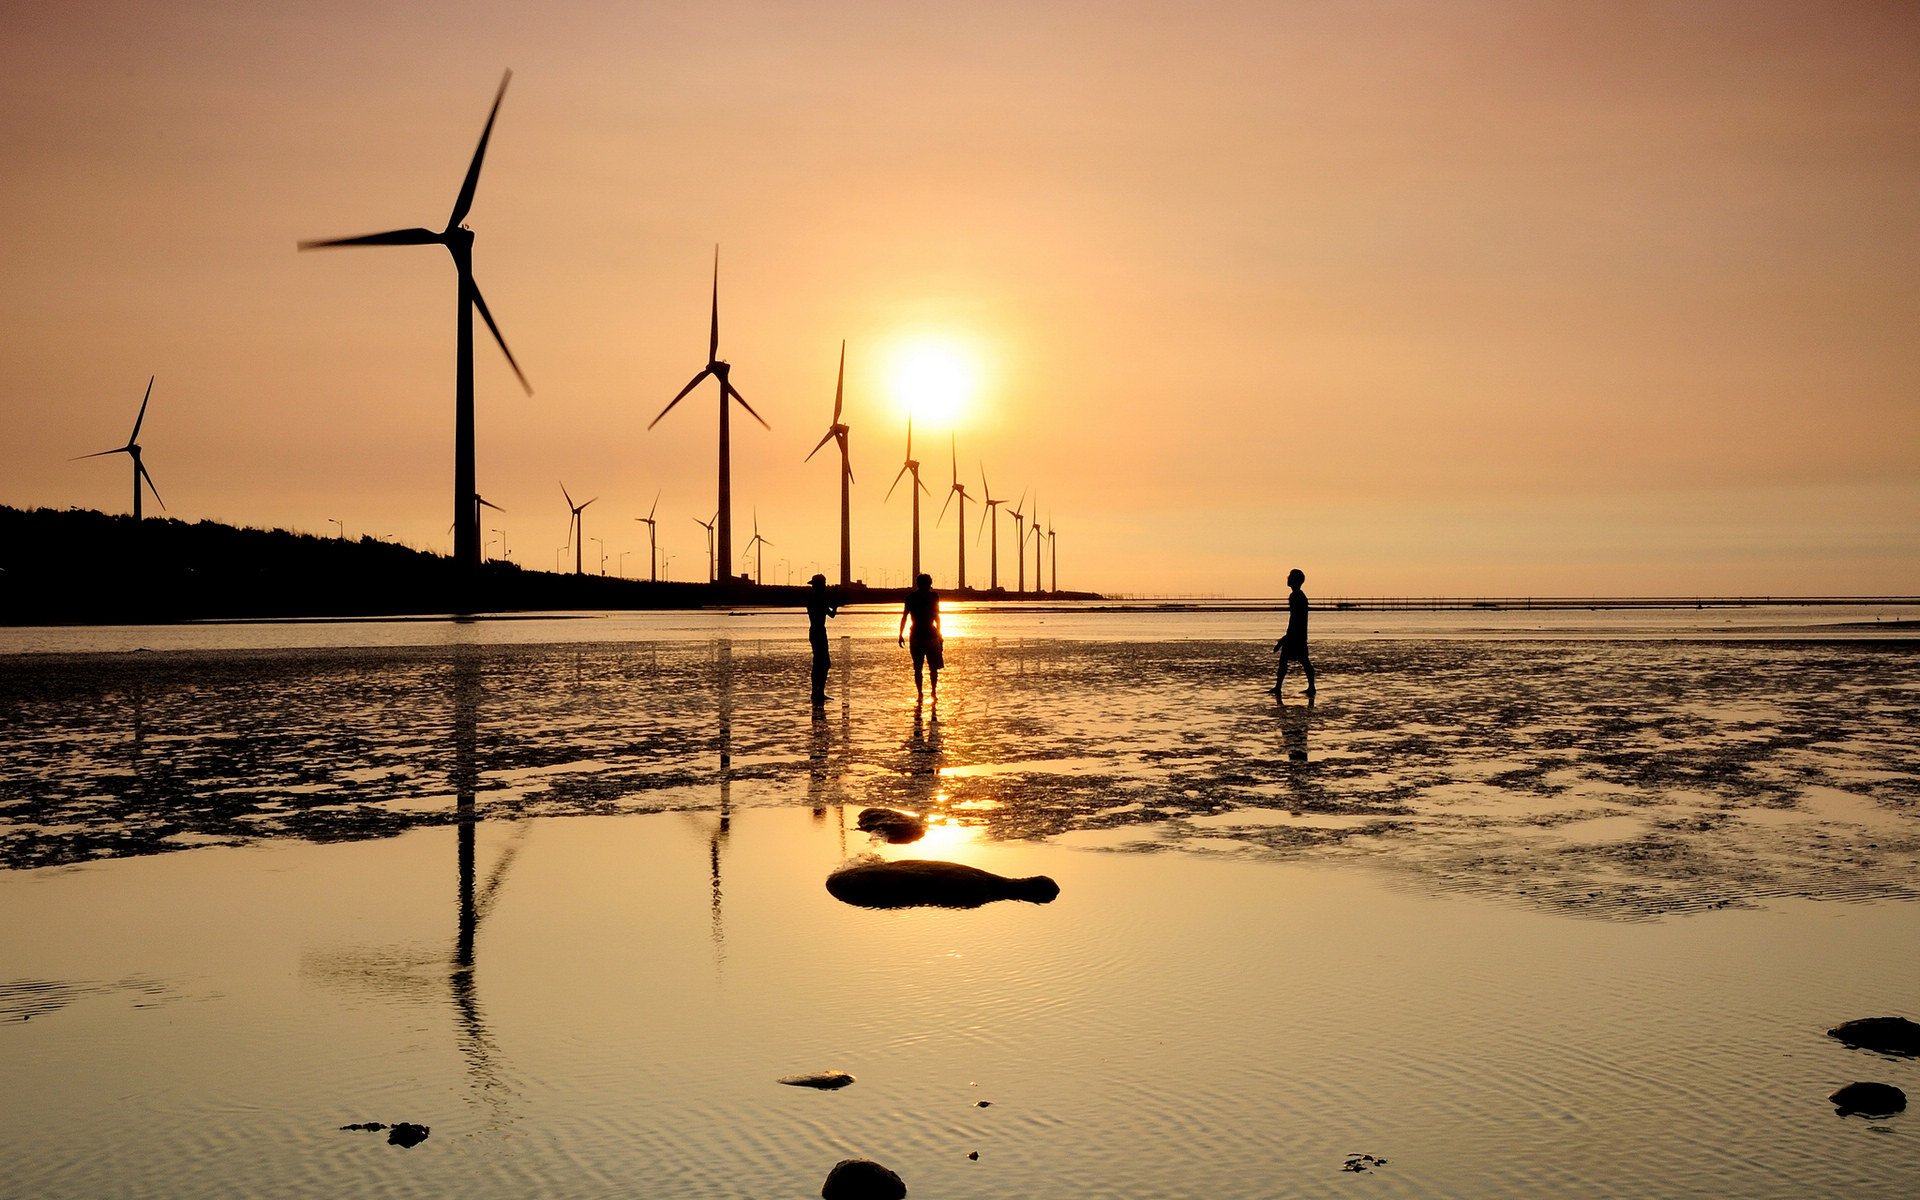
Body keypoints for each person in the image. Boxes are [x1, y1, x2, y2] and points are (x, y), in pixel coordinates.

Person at [1270, 567, 1316, 700]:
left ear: (1295, 580)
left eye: (1290, 576)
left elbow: (1295, 619)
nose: (1287, 578)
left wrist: (1285, 639)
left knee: (1299, 661)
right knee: (1298, 661)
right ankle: (1280, 687)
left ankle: (1309, 687)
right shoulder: (1298, 596)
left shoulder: (1296, 596)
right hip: (1299, 635)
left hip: (1296, 635)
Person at [897, 573, 943, 703]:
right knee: (933, 667)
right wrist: (939, 635)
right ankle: (933, 692)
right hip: (931, 635)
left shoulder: (911, 597)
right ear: (929, 583)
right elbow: (937, 617)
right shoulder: (934, 596)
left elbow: (905, 616)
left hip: (916, 635)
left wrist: (900, 634)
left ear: (917, 583)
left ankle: (920, 694)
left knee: (918, 667)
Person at [805, 574, 839, 703]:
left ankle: (817, 692)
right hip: (818, 631)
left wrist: (833, 599)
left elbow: (831, 614)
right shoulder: (818, 599)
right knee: (823, 663)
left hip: (816, 631)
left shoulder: (814, 599)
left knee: (820, 663)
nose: (825, 586)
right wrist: (834, 600)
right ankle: (817, 693)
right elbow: (832, 614)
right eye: (823, 584)